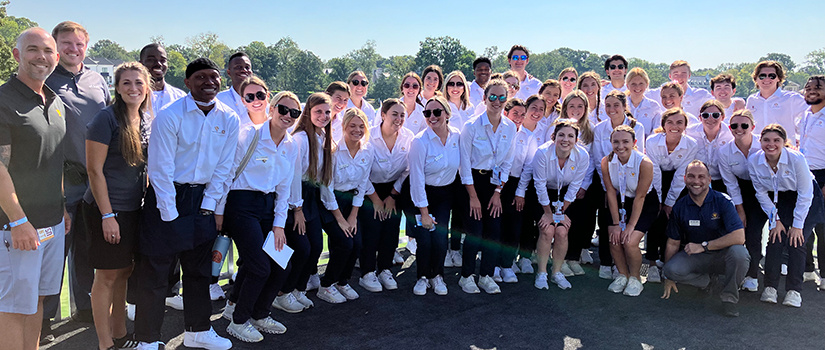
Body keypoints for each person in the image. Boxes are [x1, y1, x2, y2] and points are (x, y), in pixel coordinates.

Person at [134, 58, 237, 350]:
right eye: (201, 77)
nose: (209, 82)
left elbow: (224, 169)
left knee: (198, 271)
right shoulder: (170, 115)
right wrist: (171, 216)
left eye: (214, 77)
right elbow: (160, 169)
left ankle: (198, 331)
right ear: (188, 82)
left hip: (202, 198)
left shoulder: (228, 118)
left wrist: (209, 205)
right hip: (167, 197)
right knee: (156, 273)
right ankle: (147, 339)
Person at [0, 27, 67, 350]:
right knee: (13, 308)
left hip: (52, 223)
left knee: (37, 301)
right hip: (17, 227)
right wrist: (17, 219)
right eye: (32, 49)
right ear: (17, 55)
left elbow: (55, 161)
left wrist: (63, 208)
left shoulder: (55, 102)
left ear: (56, 57)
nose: (41, 57)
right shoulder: (3, 100)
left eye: (47, 50)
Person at [217, 82, 297, 342]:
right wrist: (218, 212)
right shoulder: (248, 135)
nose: (288, 116)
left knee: (281, 263)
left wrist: (279, 225)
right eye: (284, 109)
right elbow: (227, 175)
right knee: (259, 266)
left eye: (294, 113)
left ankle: (259, 314)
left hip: (268, 207)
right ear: (272, 108)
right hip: (241, 206)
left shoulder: (291, 145)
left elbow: (284, 189)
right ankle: (239, 321)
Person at [44, 21, 110, 325]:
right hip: (60, 179)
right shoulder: (44, 80)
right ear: (56, 46)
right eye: (66, 43)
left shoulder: (98, 80)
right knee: (55, 252)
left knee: (86, 248)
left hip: (95, 179)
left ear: (87, 46)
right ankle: (43, 319)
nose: (73, 49)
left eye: (78, 44)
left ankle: (84, 309)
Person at [84, 62, 151, 350]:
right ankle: (104, 343)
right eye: (127, 83)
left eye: (138, 82)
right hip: (107, 209)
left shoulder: (145, 120)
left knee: (124, 270)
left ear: (146, 86)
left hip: (133, 208)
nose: (133, 88)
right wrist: (107, 215)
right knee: (107, 275)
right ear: (117, 87)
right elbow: (94, 171)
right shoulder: (105, 119)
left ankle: (121, 334)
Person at [661, 160, 749, 317]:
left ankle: (729, 298)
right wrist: (669, 277)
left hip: (723, 254)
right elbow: (673, 242)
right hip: (696, 256)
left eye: (701, 177)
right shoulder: (679, 206)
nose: (696, 181)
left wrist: (704, 245)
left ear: (709, 179)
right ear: (685, 179)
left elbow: (739, 236)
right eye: (691, 176)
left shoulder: (723, 201)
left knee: (740, 253)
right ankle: (707, 281)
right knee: (670, 269)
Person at [750, 124, 825, 308]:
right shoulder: (754, 160)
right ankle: (770, 288)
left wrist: (798, 225)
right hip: (780, 199)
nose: (771, 144)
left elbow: (805, 193)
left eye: (777, 140)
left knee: (796, 240)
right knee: (775, 238)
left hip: (807, 198)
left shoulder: (796, 158)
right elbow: (760, 193)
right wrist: (775, 219)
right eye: (766, 140)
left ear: (784, 142)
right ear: (760, 141)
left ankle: (794, 291)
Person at [458, 79, 516, 294]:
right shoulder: (471, 126)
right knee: (475, 231)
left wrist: (498, 192)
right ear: (484, 98)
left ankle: (486, 275)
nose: (497, 101)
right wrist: (473, 196)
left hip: (495, 184)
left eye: (502, 97)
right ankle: (466, 276)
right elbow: (464, 164)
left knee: (494, 231)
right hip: (472, 183)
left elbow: (507, 162)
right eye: (493, 96)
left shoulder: (510, 127)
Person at [316, 108, 373, 304]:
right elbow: (326, 188)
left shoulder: (367, 151)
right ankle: (326, 285)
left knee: (356, 244)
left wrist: (353, 216)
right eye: (352, 126)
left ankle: (342, 281)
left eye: (361, 126)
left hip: (351, 204)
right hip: (329, 204)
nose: (357, 130)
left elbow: (362, 185)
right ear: (344, 127)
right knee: (344, 242)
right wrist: (340, 219)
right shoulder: (332, 152)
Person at [588, 91, 646, 276]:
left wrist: (623, 185)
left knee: (627, 224)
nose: (611, 109)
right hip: (607, 181)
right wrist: (609, 187)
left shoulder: (638, 126)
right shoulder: (599, 128)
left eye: (616, 105)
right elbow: (598, 158)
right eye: (608, 106)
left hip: (630, 183)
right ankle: (606, 262)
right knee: (608, 222)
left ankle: (623, 266)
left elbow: (639, 155)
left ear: (624, 107)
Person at [358, 98, 413, 292]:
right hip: (368, 188)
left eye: (402, 115)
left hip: (393, 190)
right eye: (394, 114)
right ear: (382, 115)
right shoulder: (368, 137)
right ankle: (367, 272)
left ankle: (384, 269)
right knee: (372, 229)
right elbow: (362, 171)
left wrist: (392, 195)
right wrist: (375, 199)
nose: (398, 119)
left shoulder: (408, 137)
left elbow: (407, 170)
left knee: (391, 229)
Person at [408, 96, 461, 296]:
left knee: (439, 239)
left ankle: (437, 276)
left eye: (437, 112)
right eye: (427, 113)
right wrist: (424, 212)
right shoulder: (419, 141)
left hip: (445, 194)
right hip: (421, 194)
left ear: (447, 114)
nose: (432, 116)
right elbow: (416, 179)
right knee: (424, 239)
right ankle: (422, 276)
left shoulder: (457, 136)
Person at [283, 93, 333, 298]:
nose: (323, 116)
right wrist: (297, 209)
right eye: (318, 111)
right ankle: (284, 291)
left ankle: (299, 289)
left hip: (311, 198)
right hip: (296, 199)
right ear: (308, 113)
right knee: (302, 249)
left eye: (327, 112)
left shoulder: (322, 137)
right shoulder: (300, 139)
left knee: (316, 248)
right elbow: (294, 176)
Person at [530, 120, 590, 289]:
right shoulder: (542, 153)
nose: (566, 139)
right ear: (553, 137)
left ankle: (556, 272)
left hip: (564, 196)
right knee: (547, 229)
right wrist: (548, 213)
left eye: (571, 136)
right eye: (561, 135)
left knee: (562, 231)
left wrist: (561, 212)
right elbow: (539, 185)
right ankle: (541, 273)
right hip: (542, 195)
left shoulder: (583, 155)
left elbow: (574, 186)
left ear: (576, 140)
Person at [602, 125, 659, 296]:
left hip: (644, 203)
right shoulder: (606, 161)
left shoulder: (645, 163)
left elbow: (640, 197)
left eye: (625, 141)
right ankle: (622, 274)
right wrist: (615, 223)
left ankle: (636, 278)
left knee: (630, 241)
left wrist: (630, 226)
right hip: (621, 203)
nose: (621, 146)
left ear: (634, 143)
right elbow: (611, 192)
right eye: (616, 142)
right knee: (614, 237)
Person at [644, 108, 699, 283]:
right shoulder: (652, 141)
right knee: (656, 218)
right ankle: (652, 263)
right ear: (663, 125)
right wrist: (659, 200)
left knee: (673, 220)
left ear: (685, 126)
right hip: (654, 179)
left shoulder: (691, 144)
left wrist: (669, 202)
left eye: (679, 123)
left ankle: (666, 263)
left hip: (679, 183)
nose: (674, 126)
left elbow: (681, 175)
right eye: (670, 122)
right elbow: (655, 172)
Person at [498, 96, 545, 283]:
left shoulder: (529, 136)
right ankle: (493, 265)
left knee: (514, 227)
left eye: (522, 114)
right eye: (514, 113)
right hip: (497, 184)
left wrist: (520, 192)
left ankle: (507, 265)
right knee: (496, 226)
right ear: (506, 113)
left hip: (516, 185)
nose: (518, 117)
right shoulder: (498, 132)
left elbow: (527, 167)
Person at [717, 109, 765, 292]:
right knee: (739, 229)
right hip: (740, 190)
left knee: (754, 232)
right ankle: (737, 271)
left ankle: (753, 275)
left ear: (752, 127)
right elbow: (731, 184)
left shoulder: (763, 144)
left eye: (744, 125)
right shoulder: (724, 151)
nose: (739, 129)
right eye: (734, 125)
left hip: (764, 189)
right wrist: (740, 210)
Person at [799, 75, 825, 289]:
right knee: (803, 224)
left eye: (818, 88)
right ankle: (807, 269)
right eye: (808, 88)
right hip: (805, 174)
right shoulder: (806, 115)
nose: (812, 91)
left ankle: (824, 274)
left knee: (823, 228)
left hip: (824, 174)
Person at [746, 60, 807, 144]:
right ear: (756, 78)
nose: (767, 79)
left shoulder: (792, 98)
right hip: (758, 149)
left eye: (772, 76)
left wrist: (799, 132)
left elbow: (812, 114)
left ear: (778, 78)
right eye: (762, 76)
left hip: (784, 150)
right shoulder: (751, 100)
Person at [685, 100, 734, 192]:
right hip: (695, 180)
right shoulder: (689, 132)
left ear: (722, 117)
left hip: (722, 180)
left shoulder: (731, 135)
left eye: (715, 115)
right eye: (705, 115)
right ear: (700, 117)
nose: (710, 119)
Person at [646, 60, 713, 117]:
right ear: (670, 76)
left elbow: (718, 105)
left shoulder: (701, 95)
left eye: (683, 74)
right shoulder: (657, 93)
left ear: (689, 75)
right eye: (676, 74)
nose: (680, 78)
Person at [139, 43, 187, 117]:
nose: (158, 64)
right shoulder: (133, 96)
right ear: (140, 64)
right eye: (151, 60)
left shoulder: (180, 97)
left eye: (163, 60)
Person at [625, 67, 664, 138]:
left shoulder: (654, 106)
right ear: (627, 85)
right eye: (633, 84)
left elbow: (656, 131)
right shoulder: (621, 105)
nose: (637, 87)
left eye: (641, 83)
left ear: (647, 85)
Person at [216, 52, 253, 123]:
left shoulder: (260, 100)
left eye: (247, 67)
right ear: (229, 72)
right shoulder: (218, 100)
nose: (244, 70)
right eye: (239, 67)